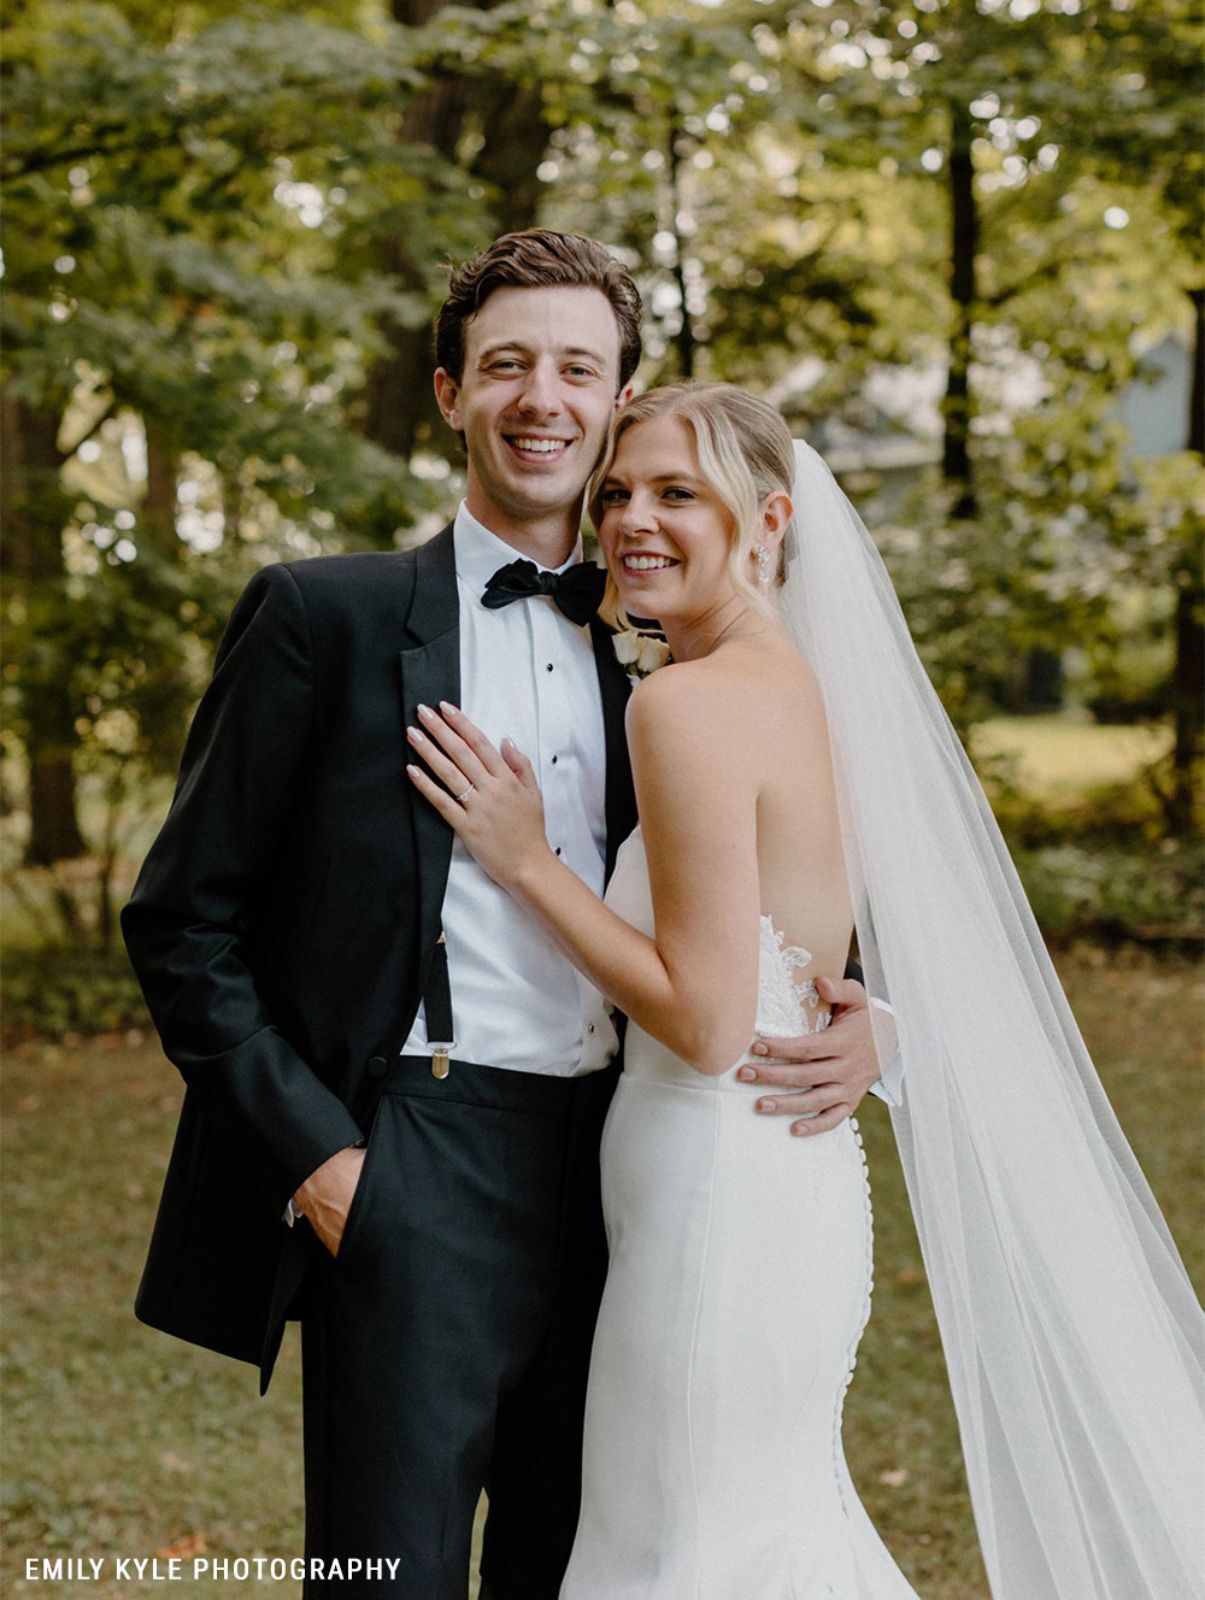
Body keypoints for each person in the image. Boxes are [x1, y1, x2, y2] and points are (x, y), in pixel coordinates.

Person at [120, 233, 890, 1600]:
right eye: (508, 364)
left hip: (636, 1172)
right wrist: (318, 1163)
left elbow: (797, 868)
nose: (543, 395)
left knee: (587, 1562)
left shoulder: (673, 637)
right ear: (449, 394)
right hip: (416, 1154)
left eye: (578, 369)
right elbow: (182, 921)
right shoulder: (322, 620)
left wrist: (868, 1013)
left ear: (615, 404)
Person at [409, 381, 1205, 1599]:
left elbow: (709, 1016)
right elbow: (807, 946)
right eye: (617, 492)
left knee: (678, 1554)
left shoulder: (685, 705)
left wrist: (526, 865)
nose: (631, 520)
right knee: (756, 1533)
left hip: (715, 1188)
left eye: (679, 492)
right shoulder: (815, 692)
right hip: (793, 1180)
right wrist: (871, 1016)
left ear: (768, 519)